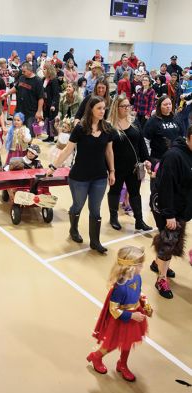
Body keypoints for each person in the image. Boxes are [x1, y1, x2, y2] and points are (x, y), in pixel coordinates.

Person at [47, 96, 116, 254]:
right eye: (99, 108)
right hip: (79, 177)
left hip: (99, 177)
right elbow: (67, 150)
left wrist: (112, 171)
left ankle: (95, 241)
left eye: (104, 108)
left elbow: (109, 151)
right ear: (91, 109)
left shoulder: (107, 128)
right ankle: (73, 230)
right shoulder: (80, 128)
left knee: (95, 209)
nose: (102, 111)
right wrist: (53, 167)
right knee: (78, 205)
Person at [87, 245, 152, 381]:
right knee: (112, 344)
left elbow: (138, 292)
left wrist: (145, 304)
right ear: (131, 267)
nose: (142, 267)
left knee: (128, 343)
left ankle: (122, 364)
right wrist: (132, 315)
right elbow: (114, 309)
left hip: (134, 314)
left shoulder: (137, 277)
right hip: (121, 319)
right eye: (140, 265)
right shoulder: (120, 288)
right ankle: (96, 356)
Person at [150, 127, 192, 299]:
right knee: (169, 242)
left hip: (182, 206)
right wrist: (169, 214)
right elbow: (165, 186)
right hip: (167, 206)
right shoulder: (174, 156)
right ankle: (161, 278)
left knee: (173, 240)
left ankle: (156, 264)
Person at [107, 94, 152, 231]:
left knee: (135, 193)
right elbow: (107, 151)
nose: (127, 108)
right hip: (117, 167)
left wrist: (146, 159)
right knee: (114, 191)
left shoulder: (134, 121)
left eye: (128, 105)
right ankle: (113, 218)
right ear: (116, 107)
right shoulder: (109, 125)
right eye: (123, 106)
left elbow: (141, 143)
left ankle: (139, 220)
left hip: (134, 167)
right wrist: (110, 169)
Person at [143, 95, 184, 181]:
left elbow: (182, 137)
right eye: (165, 104)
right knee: (157, 186)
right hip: (158, 158)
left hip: (175, 158)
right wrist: (148, 158)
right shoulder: (153, 121)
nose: (168, 106)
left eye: (169, 104)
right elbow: (146, 140)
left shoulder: (176, 118)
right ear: (159, 106)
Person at [3, 62, 44, 136]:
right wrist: (7, 94)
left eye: (24, 71)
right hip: (19, 109)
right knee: (15, 131)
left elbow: (41, 98)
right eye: (22, 71)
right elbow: (16, 88)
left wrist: (39, 111)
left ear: (30, 71)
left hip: (31, 112)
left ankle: (28, 146)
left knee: (29, 133)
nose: (22, 72)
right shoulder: (22, 77)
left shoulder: (38, 81)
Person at [42, 62, 60, 143]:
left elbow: (56, 94)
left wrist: (53, 104)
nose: (43, 70)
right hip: (45, 103)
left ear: (49, 70)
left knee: (52, 121)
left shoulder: (54, 80)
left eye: (45, 69)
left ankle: (54, 137)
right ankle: (50, 136)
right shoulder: (43, 79)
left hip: (52, 104)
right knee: (48, 119)